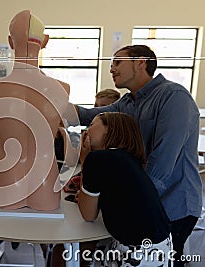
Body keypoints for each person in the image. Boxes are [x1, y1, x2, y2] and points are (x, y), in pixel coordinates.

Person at [66, 44, 202, 266]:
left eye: (118, 62)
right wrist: (54, 105)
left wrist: (128, 200)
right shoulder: (127, 102)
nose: (111, 69)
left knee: (163, 260)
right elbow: (92, 116)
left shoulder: (174, 97)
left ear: (141, 62)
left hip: (173, 204)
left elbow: (162, 163)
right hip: (144, 201)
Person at [0, 10, 73, 211]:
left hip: (7, 176)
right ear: (45, 41)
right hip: (45, 176)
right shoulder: (62, 88)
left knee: (6, 232)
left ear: (10, 41)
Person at [77, 112, 172, 266]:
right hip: (160, 247)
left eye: (92, 124)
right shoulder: (127, 158)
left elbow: (88, 215)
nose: (86, 130)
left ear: (110, 129)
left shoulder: (98, 159)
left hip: (135, 251)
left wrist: (84, 160)